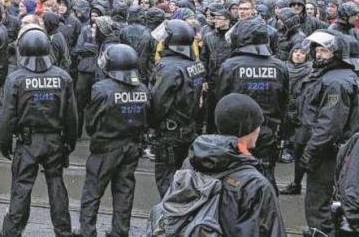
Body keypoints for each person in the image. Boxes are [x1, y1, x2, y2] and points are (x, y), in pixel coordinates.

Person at [149, 93, 286, 236]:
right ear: (248, 127)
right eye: (258, 124)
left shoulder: (192, 162)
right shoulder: (256, 185)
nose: (259, 129)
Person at [0, 28, 77, 237]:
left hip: (27, 142)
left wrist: (4, 144)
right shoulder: (63, 77)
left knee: (21, 189)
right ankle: (63, 231)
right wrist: (69, 143)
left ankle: (11, 233)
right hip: (54, 141)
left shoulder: (16, 79)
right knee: (57, 186)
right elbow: (72, 117)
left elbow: (6, 117)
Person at [79, 44, 150, 237]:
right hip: (132, 147)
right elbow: (147, 119)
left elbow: (91, 124)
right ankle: (120, 231)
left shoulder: (101, 89)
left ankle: (87, 231)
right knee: (124, 192)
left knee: (92, 192)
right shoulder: (142, 88)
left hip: (105, 149)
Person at [215, 18, 289, 189]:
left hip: (236, 135)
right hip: (267, 132)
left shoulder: (230, 66)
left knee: (235, 177)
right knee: (266, 175)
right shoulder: (279, 66)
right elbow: (285, 102)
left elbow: (220, 102)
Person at [299, 30, 359, 235]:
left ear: (336, 53)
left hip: (327, 153)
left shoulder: (336, 82)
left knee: (319, 203)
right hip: (330, 150)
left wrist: (311, 152)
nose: (318, 54)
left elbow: (329, 125)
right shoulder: (329, 75)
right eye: (317, 49)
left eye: (324, 50)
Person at [149, 19, 206, 197]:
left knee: (167, 178)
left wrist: (150, 125)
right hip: (187, 128)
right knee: (183, 177)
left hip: (169, 132)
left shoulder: (168, 68)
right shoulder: (194, 63)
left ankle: (170, 220)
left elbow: (158, 103)